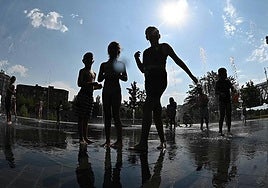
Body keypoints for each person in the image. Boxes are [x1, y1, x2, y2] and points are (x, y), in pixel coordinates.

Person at [130, 26, 198, 151]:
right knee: (156, 112)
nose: (152, 34)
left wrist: (190, 75)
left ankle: (143, 143)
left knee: (147, 107)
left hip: (160, 80)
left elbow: (178, 61)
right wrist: (136, 59)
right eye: (149, 33)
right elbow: (143, 70)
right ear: (147, 37)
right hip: (149, 82)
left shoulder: (164, 47)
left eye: (154, 32)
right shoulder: (146, 52)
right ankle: (163, 141)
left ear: (158, 35)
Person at [98, 41, 128, 148]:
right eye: (112, 50)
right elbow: (99, 79)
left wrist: (117, 75)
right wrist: (106, 75)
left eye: (115, 50)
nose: (114, 52)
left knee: (116, 116)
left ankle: (119, 141)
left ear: (118, 52)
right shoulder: (104, 65)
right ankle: (107, 141)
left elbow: (125, 78)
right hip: (106, 91)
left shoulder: (120, 64)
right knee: (107, 116)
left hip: (115, 91)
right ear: (109, 51)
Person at [76, 52, 102, 144]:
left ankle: (85, 137)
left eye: (90, 59)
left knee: (87, 118)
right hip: (83, 95)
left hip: (90, 97)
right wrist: (92, 84)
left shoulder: (94, 73)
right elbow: (79, 83)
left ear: (92, 61)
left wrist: (96, 87)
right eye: (86, 59)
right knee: (81, 117)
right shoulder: (82, 71)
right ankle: (81, 138)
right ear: (83, 61)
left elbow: (91, 87)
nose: (88, 61)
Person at [215, 67, 236, 136]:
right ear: (220, 74)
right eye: (225, 73)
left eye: (226, 73)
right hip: (222, 101)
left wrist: (233, 90)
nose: (226, 74)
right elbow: (216, 92)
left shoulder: (227, 81)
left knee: (229, 115)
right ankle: (220, 131)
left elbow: (232, 87)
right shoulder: (218, 82)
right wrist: (220, 93)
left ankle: (229, 130)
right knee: (222, 116)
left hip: (228, 100)